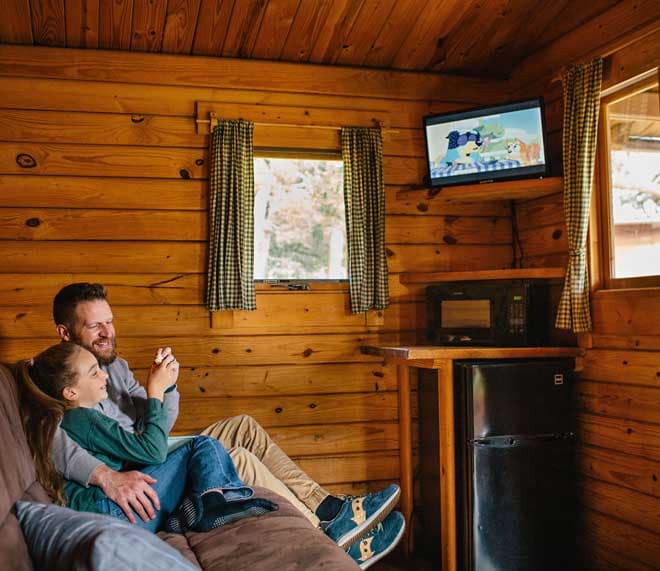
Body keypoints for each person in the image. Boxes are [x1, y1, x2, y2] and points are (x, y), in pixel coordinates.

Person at [50, 283, 404, 568]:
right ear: (65, 333)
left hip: (151, 444)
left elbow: (159, 417)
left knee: (243, 426)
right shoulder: (57, 380)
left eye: (108, 321)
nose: (106, 332)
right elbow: (53, 436)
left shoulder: (116, 366)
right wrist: (101, 474)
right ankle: (326, 529)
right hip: (138, 460)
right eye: (94, 325)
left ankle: (328, 508)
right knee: (237, 457)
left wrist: (166, 387)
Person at [15, 341, 278, 534]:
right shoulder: (82, 419)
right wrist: (155, 393)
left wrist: (166, 389)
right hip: (115, 512)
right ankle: (212, 505)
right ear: (70, 392)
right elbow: (153, 451)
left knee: (207, 449)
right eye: (94, 372)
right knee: (204, 445)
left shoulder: (86, 405)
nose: (104, 375)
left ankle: (201, 507)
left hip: (114, 510)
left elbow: (155, 430)